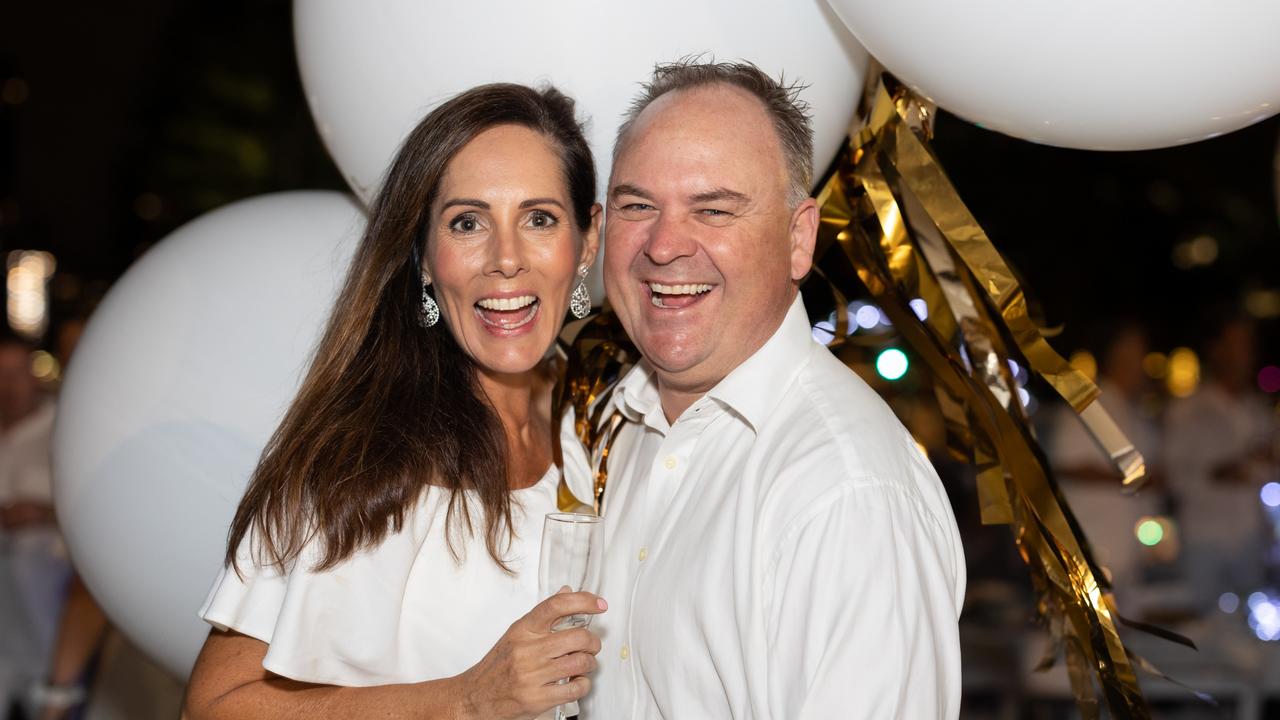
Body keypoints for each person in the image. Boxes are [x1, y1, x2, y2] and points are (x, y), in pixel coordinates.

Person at [183, 83, 607, 720]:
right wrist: (464, 699)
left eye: (539, 219)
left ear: (588, 239)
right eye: (468, 223)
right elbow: (216, 706)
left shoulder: (602, 419)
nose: (506, 260)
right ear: (425, 259)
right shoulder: (365, 458)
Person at [561, 59, 965, 718]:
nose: (663, 246)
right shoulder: (616, 425)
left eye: (713, 208)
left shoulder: (846, 490)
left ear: (798, 238)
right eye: (639, 205)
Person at [1164, 312, 1277, 612]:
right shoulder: (1187, 410)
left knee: (1254, 624)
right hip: (1205, 538)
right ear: (1216, 349)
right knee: (1203, 627)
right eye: (1236, 344)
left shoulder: (1258, 409)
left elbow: (1267, 470)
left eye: (1248, 345)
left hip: (1252, 539)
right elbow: (1175, 478)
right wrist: (1224, 471)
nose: (1245, 354)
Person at [1046, 321, 1165, 602]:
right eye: (1136, 351)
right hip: (1091, 548)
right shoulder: (1087, 405)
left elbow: (1155, 470)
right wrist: (1127, 479)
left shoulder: (1138, 413)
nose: (1142, 361)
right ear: (1115, 354)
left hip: (1131, 552)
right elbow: (1066, 467)